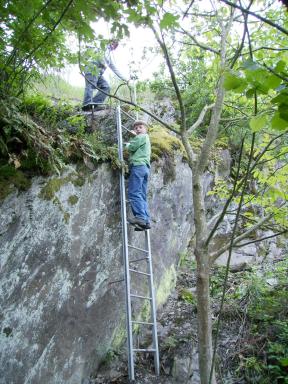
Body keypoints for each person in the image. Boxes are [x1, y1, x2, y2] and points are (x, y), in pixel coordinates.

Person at [82, 40, 128, 111]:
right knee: (91, 85)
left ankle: (95, 103)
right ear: (110, 42)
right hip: (91, 68)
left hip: (98, 73)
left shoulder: (109, 57)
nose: (113, 47)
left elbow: (115, 69)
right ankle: (86, 105)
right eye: (113, 44)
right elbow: (90, 49)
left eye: (115, 46)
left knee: (106, 87)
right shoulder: (100, 46)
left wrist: (125, 79)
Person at [126, 120, 151, 230]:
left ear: (146, 129)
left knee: (134, 192)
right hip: (144, 168)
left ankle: (140, 217)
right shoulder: (146, 139)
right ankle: (145, 222)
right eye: (136, 128)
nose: (138, 129)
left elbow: (131, 147)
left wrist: (127, 144)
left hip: (138, 166)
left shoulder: (142, 137)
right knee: (142, 195)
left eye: (140, 127)